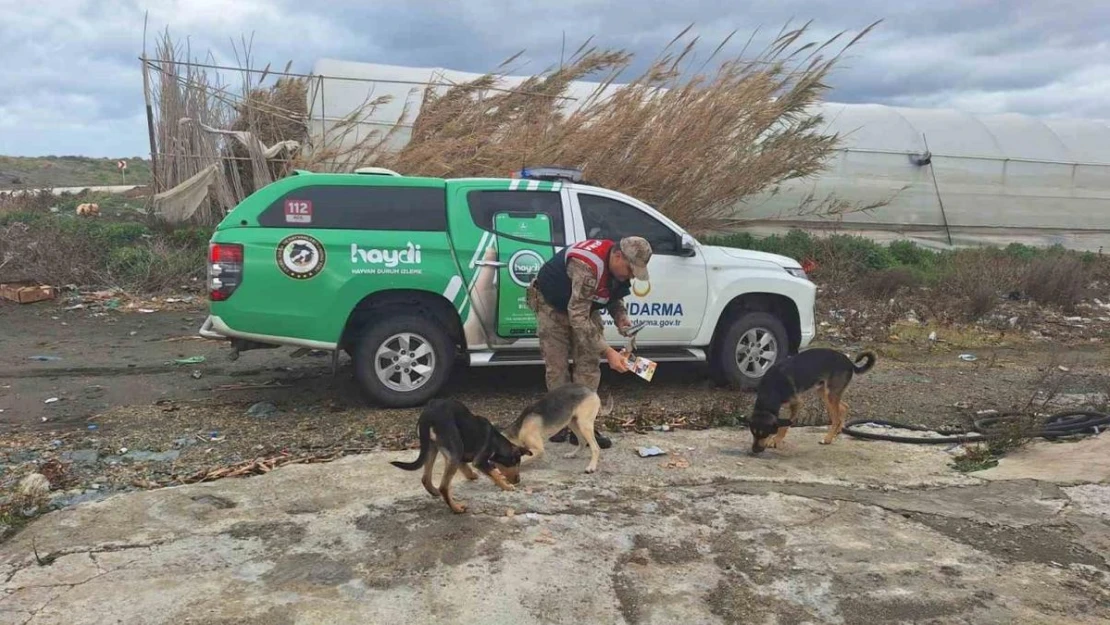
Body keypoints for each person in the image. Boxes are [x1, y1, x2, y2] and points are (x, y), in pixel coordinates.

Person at [526, 236, 653, 447]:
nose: (631, 276)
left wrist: (622, 319)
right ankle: (560, 422)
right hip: (553, 307)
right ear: (618, 256)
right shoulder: (586, 266)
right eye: (630, 270)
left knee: (588, 365)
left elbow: (612, 295)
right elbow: (576, 317)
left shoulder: (617, 267)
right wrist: (608, 351)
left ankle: (583, 426)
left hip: (584, 308)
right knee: (557, 368)